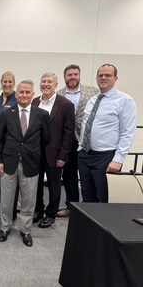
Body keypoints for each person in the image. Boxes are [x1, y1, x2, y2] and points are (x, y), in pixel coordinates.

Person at [0, 80, 50, 247]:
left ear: (33, 95)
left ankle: (25, 230)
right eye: (21, 92)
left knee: (28, 200)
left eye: (28, 92)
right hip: (8, 162)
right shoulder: (6, 113)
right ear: (16, 94)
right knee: (6, 199)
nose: (24, 95)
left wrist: (33, 152)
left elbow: (46, 139)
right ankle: (5, 227)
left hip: (31, 163)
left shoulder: (42, 114)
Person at [78, 64, 137, 203]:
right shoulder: (92, 100)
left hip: (105, 158)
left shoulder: (125, 101)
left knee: (104, 198)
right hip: (85, 155)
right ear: (97, 78)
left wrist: (118, 159)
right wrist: (80, 148)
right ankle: (88, 225)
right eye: (101, 75)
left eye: (108, 75)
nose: (103, 78)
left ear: (115, 78)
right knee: (87, 197)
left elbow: (127, 132)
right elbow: (86, 126)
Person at [32, 73, 75, 228]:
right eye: (43, 81)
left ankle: (51, 214)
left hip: (55, 153)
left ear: (56, 85)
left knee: (54, 186)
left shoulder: (65, 105)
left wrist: (63, 155)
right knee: (35, 184)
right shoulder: (35, 101)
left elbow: (69, 133)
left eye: (50, 82)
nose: (46, 84)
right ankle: (38, 210)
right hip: (36, 152)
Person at [56, 64, 99, 217]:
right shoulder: (58, 94)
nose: (72, 77)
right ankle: (71, 206)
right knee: (69, 176)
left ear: (79, 75)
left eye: (75, 74)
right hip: (68, 141)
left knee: (88, 175)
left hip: (88, 141)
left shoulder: (93, 92)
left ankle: (91, 209)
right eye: (69, 75)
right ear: (64, 77)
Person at [0, 71, 18, 219]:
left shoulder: (17, 100)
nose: (7, 84)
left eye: (10, 82)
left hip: (10, 146)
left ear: (14, 84)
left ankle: (9, 213)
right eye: (4, 82)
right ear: (0, 83)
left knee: (9, 181)